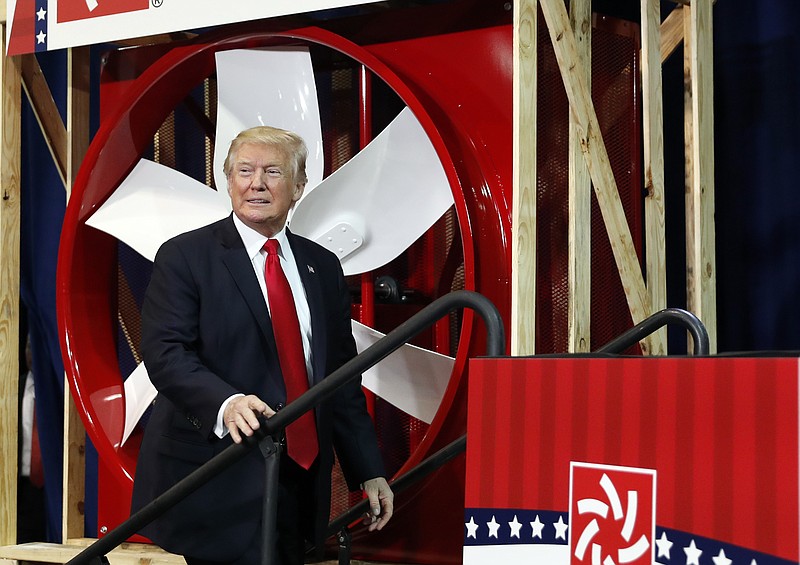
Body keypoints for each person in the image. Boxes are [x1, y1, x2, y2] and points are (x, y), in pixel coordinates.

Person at [130, 126, 393, 565]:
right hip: (215, 480)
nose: (257, 183)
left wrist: (368, 469)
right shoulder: (185, 257)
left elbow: (340, 376)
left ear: (298, 187)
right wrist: (226, 403)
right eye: (245, 171)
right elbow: (166, 353)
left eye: (272, 171)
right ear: (228, 182)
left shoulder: (322, 266)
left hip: (297, 481)